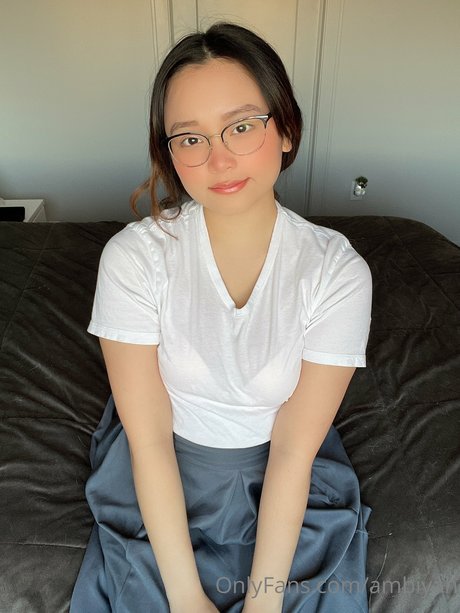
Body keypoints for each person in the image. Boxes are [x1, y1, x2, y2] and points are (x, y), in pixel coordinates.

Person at [70, 21, 373, 613]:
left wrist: (263, 601)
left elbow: (293, 452)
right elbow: (148, 440)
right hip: (160, 463)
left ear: (286, 129)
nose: (219, 159)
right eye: (190, 138)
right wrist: (186, 597)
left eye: (241, 126)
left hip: (283, 470)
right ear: (169, 152)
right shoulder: (134, 258)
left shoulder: (337, 272)